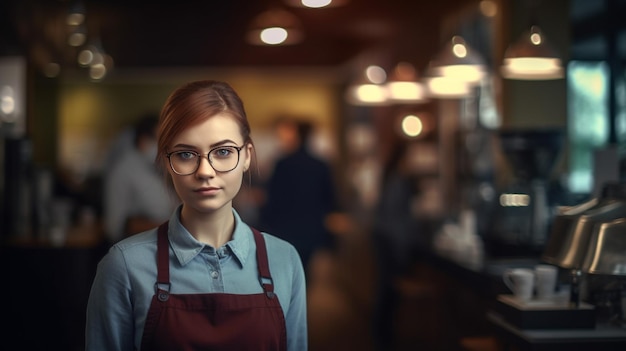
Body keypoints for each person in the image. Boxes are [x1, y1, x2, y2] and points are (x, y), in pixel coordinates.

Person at [86, 80, 308, 351]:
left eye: (224, 152)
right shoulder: (124, 266)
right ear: (167, 161)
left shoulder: (284, 260)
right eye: (186, 154)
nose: (205, 171)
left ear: (247, 156)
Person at [259, 116, 338, 276]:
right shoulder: (320, 165)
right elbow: (329, 198)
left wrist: (265, 223)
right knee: (304, 271)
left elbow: (272, 197)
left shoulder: (283, 163)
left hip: (284, 227)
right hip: (311, 228)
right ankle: (300, 298)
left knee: (284, 271)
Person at [103, 113, 177, 244]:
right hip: (138, 247)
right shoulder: (123, 171)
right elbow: (114, 226)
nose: (165, 147)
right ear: (144, 141)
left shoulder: (156, 167)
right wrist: (170, 227)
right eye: (160, 141)